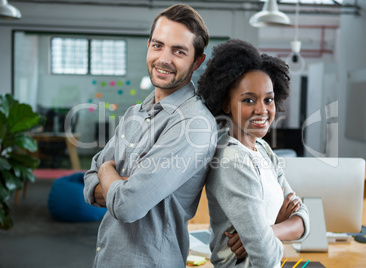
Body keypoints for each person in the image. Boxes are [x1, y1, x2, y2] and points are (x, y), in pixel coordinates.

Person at [83, 4, 218, 267]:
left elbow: (127, 205)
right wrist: (117, 185)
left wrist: (107, 172)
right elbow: (89, 182)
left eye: (179, 51)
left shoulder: (195, 124)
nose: (164, 58)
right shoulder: (135, 113)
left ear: (197, 61)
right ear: (148, 46)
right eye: (158, 45)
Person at [197, 39, 310, 267]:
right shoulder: (232, 160)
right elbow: (266, 257)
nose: (262, 109)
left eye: (268, 99)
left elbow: (304, 219)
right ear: (226, 105)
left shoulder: (262, 149)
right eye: (249, 100)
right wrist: (268, 234)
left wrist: (268, 231)